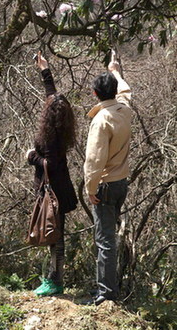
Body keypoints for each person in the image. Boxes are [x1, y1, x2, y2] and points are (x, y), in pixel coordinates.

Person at [27, 52, 78, 296]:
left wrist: (31, 158)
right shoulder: (61, 125)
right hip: (62, 188)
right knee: (57, 235)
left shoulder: (48, 139)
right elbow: (53, 97)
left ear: (49, 115)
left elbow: (49, 163)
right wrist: (45, 70)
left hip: (52, 193)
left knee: (55, 237)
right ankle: (54, 279)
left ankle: (55, 281)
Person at [84, 50, 132, 305]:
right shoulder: (124, 109)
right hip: (121, 182)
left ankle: (106, 293)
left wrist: (90, 188)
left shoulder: (101, 120)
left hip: (104, 184)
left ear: (95, 94)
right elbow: (126, 91)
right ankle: (107, 288)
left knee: (105, 241)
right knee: (109, 237)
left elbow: (94, 160)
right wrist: (115, 71)